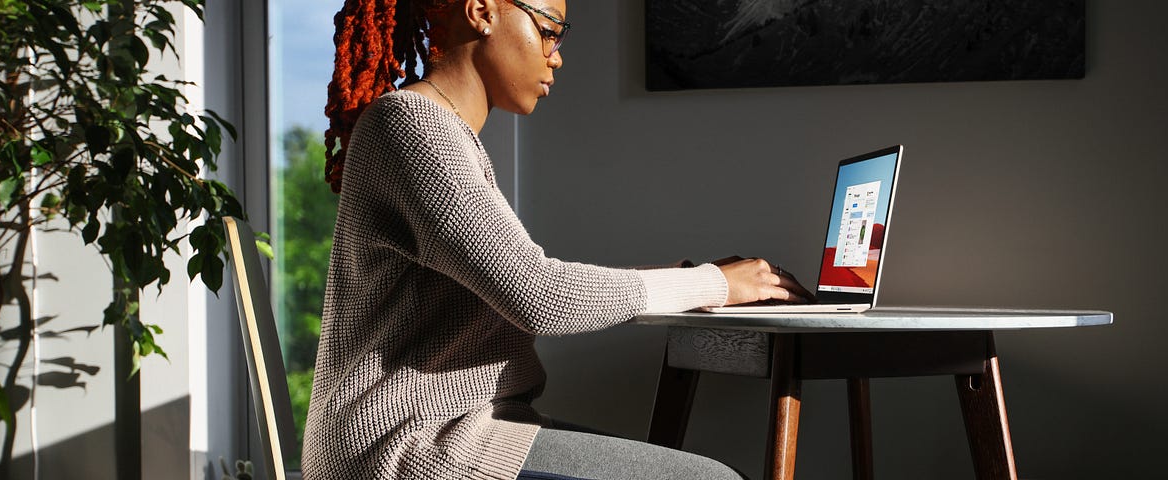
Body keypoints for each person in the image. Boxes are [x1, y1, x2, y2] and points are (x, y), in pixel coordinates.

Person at [302, 0, 812, 478]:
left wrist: (687, 282)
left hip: (461, 429)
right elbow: (539, 295)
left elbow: (524, 280)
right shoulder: (412, 127)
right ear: (481, 11)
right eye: (548, 32)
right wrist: (711, 285)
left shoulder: (440, 131)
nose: (557, 58)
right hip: (407, 445)